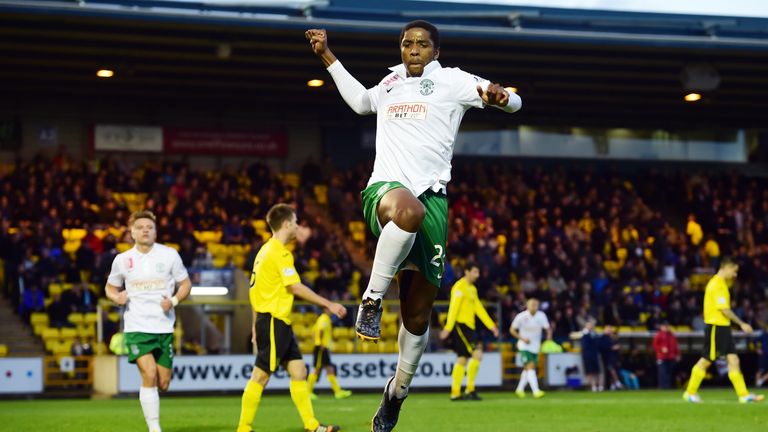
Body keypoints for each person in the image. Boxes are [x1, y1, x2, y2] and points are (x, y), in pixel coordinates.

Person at [306, 20, 521, 431]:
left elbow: (516, 103)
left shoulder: (455, 82)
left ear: (436, 51)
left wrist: (503, 98)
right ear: (401, 49)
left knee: (417, 318)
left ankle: (397, 393)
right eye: (407, 43)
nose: (414, 49)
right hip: (386, 191)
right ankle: (370, 301)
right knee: (407, 212)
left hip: (434, 198)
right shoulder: (389, 84)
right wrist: (328, 58)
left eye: (422, 44)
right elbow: (360, 103)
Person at [237, 204, 346, 432]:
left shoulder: (264, 252)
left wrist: (255, 325)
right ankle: (243, 428)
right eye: (295, 222)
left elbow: (255, 291)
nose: (297, 226)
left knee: (299, 372)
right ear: (286, 224)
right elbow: (295, 287)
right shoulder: (279, 253)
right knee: (261, 376)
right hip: (273, 321)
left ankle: (312, 425)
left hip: (277, 322)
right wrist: (329, 304)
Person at [105, 210, 192, 432]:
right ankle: (154, 428)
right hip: (137, 327)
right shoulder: (122, 260)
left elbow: (186, 284)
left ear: (155, 231)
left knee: (163, 383)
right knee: (149, 373)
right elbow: (110, 287)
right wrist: (117, 297)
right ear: (132, 232)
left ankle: (153, 413)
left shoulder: (170, 255)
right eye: (141, 227)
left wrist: (172, 301)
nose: (146, 230)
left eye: (150, 227)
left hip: (164, 327)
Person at [682, 259, 763, 403]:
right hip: (716, 327)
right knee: (706, 360)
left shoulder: (721, 284)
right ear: (726, 268)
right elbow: (724, 309)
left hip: (723, 327)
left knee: (734, 360)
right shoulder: (717, 284)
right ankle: (690, 392)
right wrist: (742, 323)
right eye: (734, 270)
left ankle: (743, 395)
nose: (735, 274)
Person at [438, 262, 499, 401]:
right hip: (461, 326)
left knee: (463, 358)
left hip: (470, 327)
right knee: (477, 354)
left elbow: (479, 308)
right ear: (467, 271)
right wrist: (448, 328)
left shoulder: (472, 289)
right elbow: (453, 308)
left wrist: (491, 326)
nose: (477, 275)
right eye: (475, 272)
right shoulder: (459, 287)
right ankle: (470, 389)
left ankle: (455, 392)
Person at [510, 298, 551, 398]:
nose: (534, 306)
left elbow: (548, 328)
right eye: (532, 305)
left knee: (527, 369)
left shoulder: (541, 316)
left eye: (536, 305)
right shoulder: (521, 316)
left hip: (535, 346)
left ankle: (519, 389)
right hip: (524, 346)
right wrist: (522, 339)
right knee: (531, 366)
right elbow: (512, 330)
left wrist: (549, 337)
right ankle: (536, 391)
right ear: (527, 306)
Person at [307, 308, 353, 400]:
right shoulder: (324, 318)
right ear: (326, 310)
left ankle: (338, 392)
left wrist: (316, 341)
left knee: (329, 369)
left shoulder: (324, 318)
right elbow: (320, 330)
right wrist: (320, 343)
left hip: (322, 346)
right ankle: (307, 392)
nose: (332, 311)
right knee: (317, 369)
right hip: (321, 347)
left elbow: (313, 332)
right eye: (330, 310)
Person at [652, 321, 679, 389]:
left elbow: (675, 345)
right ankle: (662, 387)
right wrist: (661, 349)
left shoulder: (671, 335)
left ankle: (668, 387)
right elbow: (654, 345)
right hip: (662, 357)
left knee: (669, 373)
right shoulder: (659, 335)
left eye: (667, 326)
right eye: (665, 326)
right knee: (662, 372)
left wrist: (677, 354)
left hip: (671, 357)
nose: (666, 328)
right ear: (661, 327)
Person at [599, 325, 624, 390]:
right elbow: (602, 347)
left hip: (614, 357)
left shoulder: (612, 338)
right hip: (606, 357)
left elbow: (618, 345)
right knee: (611, 370)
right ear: (605, 330)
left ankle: (612, 385)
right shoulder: (602, 338)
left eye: (610, 330)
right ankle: (617, 383)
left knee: (613, 370)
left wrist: (617, 347)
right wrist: (612, 348)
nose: (609, 331)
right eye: (608, 329)